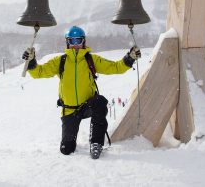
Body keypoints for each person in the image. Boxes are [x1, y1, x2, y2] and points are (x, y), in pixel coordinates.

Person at [22, 26, 140, 159]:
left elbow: (115, 68)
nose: (75, 45)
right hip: (69, 110)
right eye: (72, 41)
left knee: (100, 102)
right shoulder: (61, 61)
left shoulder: (91, 60)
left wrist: (129, 58)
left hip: (87, 106)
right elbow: (39, 72)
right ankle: (69, 143)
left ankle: (96, 142)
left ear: (83, 42)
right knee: (67, 149)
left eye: (78, 40)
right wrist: (31, 61)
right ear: (68, 43)